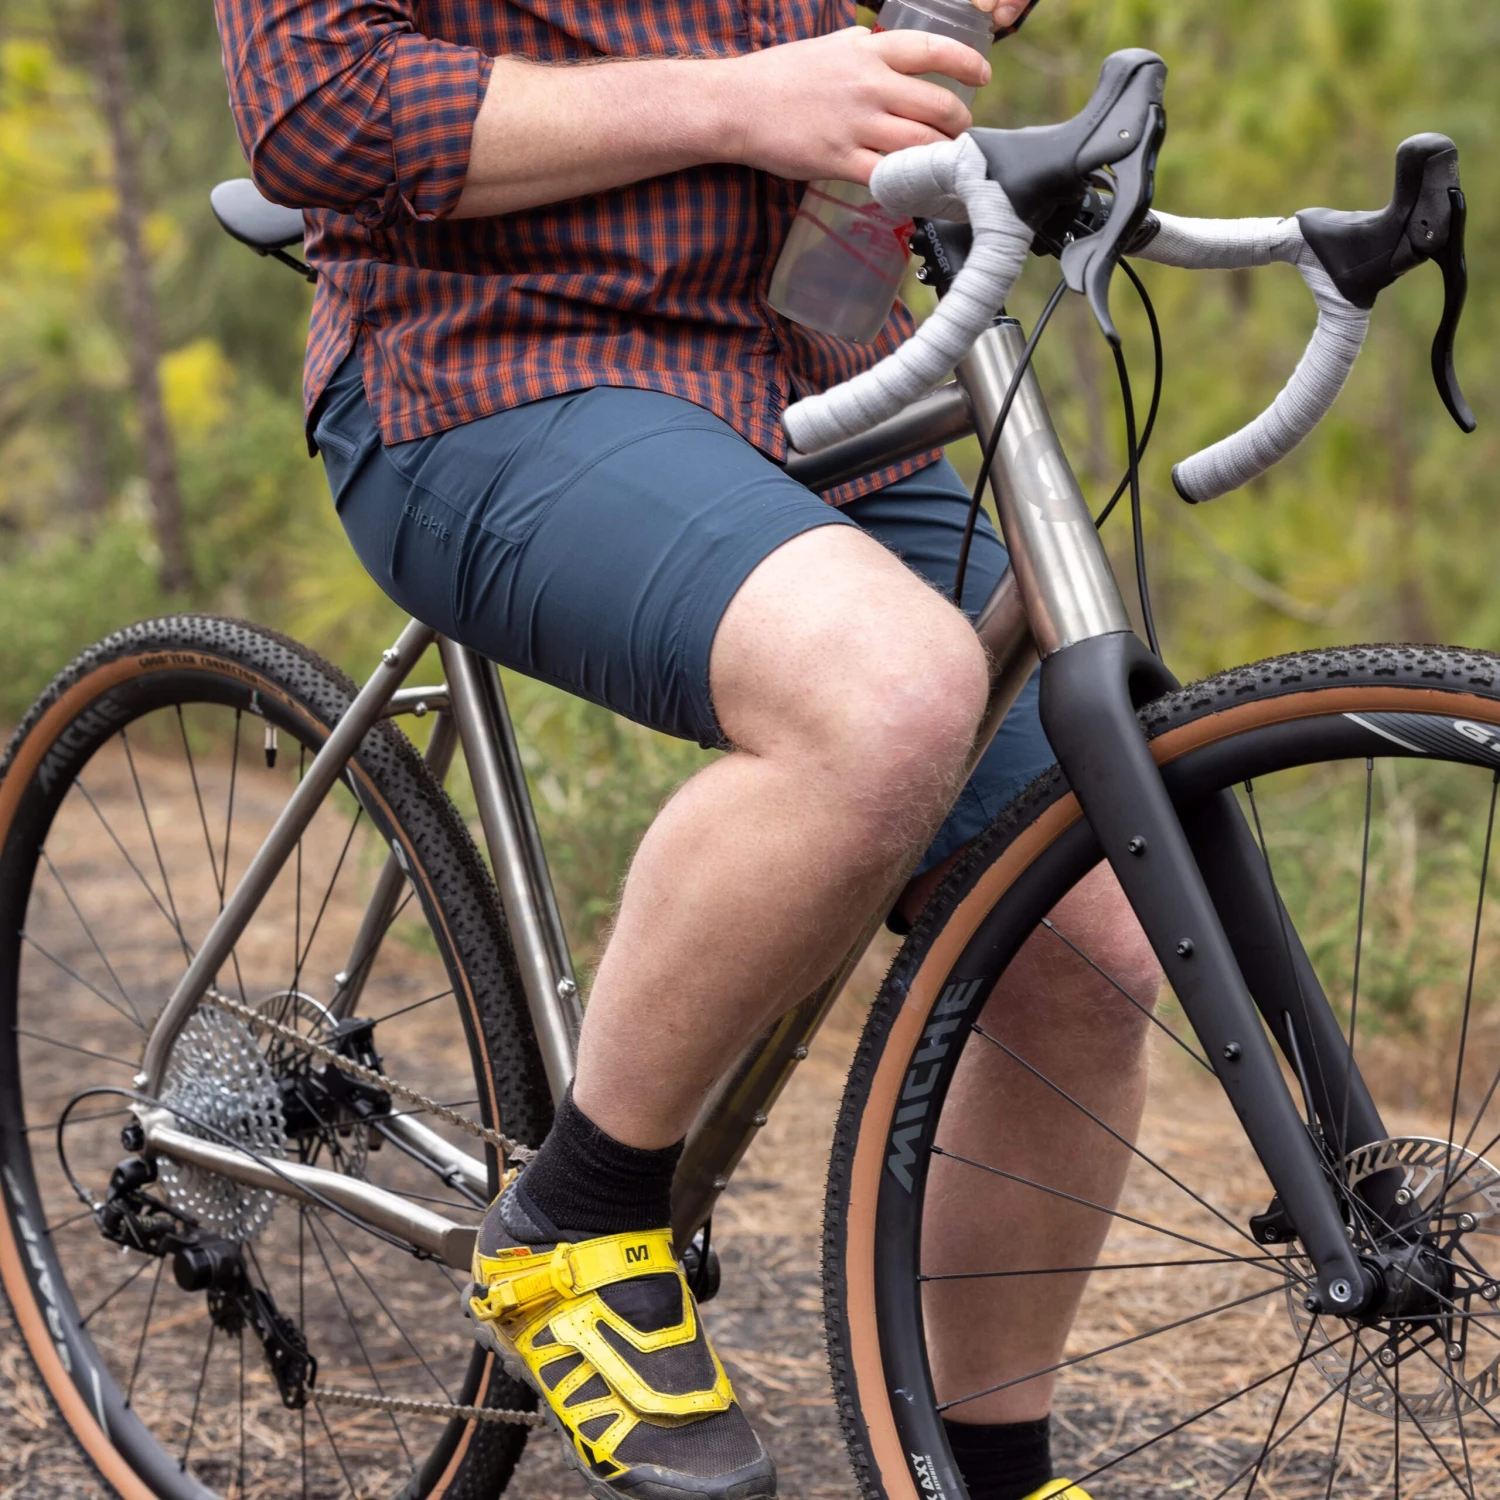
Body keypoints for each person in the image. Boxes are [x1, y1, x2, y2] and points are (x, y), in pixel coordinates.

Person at [213, 0, 1161, 1495]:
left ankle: (988, 1472)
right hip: (491, 368)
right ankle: (579, 1219)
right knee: (888, 691)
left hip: (823, 371)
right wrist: (739, 101)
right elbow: (319, 112)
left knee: (1089, 918)